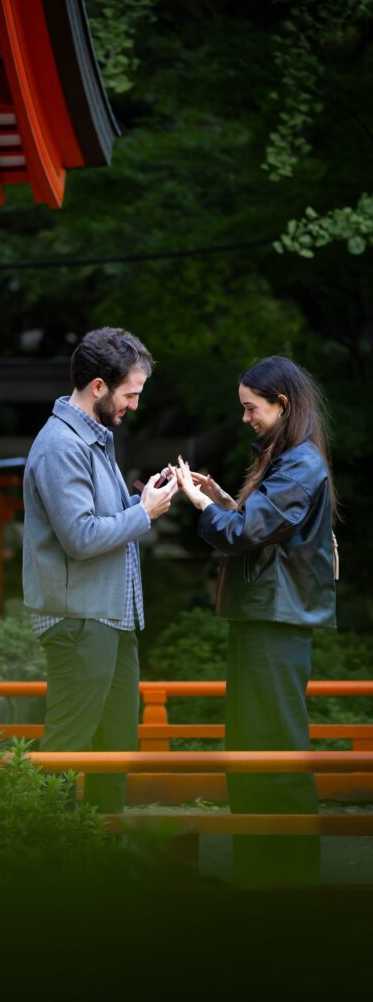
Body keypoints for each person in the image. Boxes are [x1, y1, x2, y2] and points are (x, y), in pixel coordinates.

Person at [175, 355, 338, 887]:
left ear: (281, 404)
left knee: (275, 746)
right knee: (251, 744)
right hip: (265, 616)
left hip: (277, 618)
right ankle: (264, 871)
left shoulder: (301, 463)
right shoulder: (290, 459)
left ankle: (287, 877)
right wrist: (222, 498)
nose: (246, 417)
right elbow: (255, 523)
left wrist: (202, 504)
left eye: (252, 408)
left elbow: (246, 533)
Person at [23, 327, 177, 813]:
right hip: (80, 618)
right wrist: (144, 514)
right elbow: (82, 537)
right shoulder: (61, 445)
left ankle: (104, 861)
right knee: (68, 746)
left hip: (109, 615)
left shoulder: (92, 438)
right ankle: (49, 858)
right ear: (98, 387)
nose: (133, 404)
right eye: (130, 394)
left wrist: (142, 498)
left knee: (116, 746)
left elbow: (99, 520)